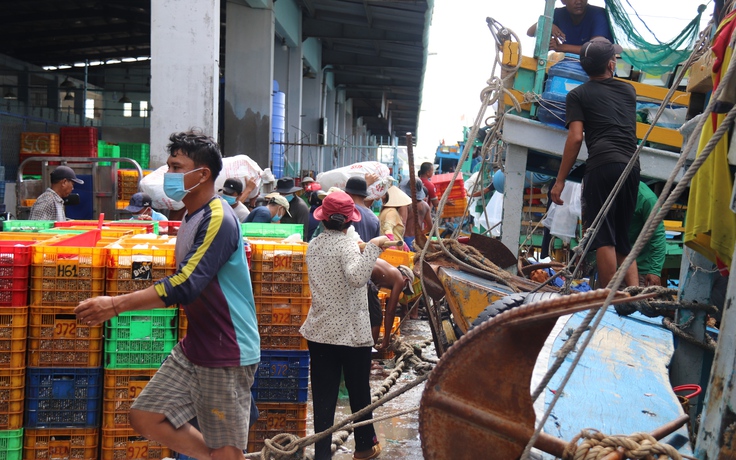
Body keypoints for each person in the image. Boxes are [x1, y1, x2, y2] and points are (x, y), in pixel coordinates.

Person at [74, 130, 259, 460]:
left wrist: (115, 305)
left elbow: (186, 284)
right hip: (197, 344)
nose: (168, 174)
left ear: (202, 174)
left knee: (225, 448)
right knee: (145, 415)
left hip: (226, 349)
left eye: (176, 167)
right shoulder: (191, 216)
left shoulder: (219, 218)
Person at [300, 191, 388, 460]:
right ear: (350, 221)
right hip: (350, 335)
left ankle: (322, 454)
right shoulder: (348, 246)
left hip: (320, 332)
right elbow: (356, 278)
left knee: (324, 397)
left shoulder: (314, 246)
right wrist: (373, 246)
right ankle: (364, 447)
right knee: (359, 392)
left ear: (323, 219)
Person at [550, 38, 639, 289]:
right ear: (612, 65)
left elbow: (576, 137)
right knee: (622, 238)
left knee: (604, 237)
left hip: (602, 165)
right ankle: (635, 296)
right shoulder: (628, 91)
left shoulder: (577, 95)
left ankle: (606, 303)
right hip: (631, 166)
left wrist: (559, 181)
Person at [526, 0, 614, 55]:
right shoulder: (558, 14)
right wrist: (548, 25)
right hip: (570, 65)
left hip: (597, 69)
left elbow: (595, 49)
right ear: (563, 1)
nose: (578, 1)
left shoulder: (598, 14)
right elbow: (530, 32)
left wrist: (560, 47)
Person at [368, 259, 414, 347]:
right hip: (364, 275)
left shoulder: (386, 272)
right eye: (405, 287)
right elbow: (390, 311)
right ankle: (368, 355)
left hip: (359, 272)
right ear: (406, 279)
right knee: (377, 319)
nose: (402, 290)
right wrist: (386, 339)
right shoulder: (399, 280)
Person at [628, 182, 666, 287]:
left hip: (640, 268)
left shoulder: (646, 199)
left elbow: (657, 235)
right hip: (612, 264)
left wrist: (655, 270)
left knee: (636, 301)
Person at [345, 176, 381, 243]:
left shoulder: (346, 211)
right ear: (365, 196)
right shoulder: (375, 218)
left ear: (347, 193)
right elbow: (377, 246)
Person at [399, 177, 432, 250]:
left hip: (405, 239)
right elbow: (430, 227)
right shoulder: (425, 206)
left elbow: (403, 223)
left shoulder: (406, 205)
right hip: (418, 240)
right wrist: (420, 234)